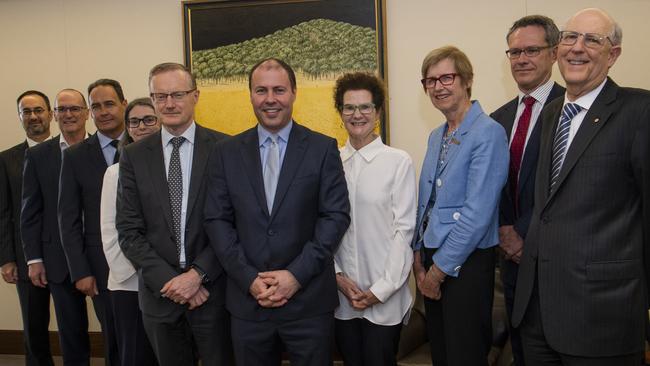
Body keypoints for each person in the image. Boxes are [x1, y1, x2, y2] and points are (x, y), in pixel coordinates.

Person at [511, 8, 650, 365]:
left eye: (592, 40)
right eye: (570, 37)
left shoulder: (640, 111)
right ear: (557, 49)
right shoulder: (553, 113)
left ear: (613, 54)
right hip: (537, 315)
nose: (577, 48)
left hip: (603, 317)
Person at [204, 58, 350, 366]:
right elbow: (217, 220)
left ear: (294, 93)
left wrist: (295, 275)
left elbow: (335, 217)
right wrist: (249, 279)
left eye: (279, 90)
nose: (270, 99)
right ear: (251, 95)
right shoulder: (226, 152)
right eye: (261, 90)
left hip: (308, 302)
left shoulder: (323, 148)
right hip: (248, 304)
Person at [116, 63, 230, 366]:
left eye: (177, 94)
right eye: (160, 96)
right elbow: (128, 230)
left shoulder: (225, 148)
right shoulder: (133, 156)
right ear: (152, 100)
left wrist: (197, 276)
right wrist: (173, 282)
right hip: (160, 294)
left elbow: (233, 225)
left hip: (213, 293)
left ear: (195, 96)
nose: (169, 103)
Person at [412, 46, 509, 366]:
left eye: (446, 77)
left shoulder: (488, 133)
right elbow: (427, 203)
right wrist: (417, 258)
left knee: (464, 355)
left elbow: (477, 214)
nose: (438, 86)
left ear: (467, 80)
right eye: (430, 80)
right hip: (431, 259)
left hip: (465, 264)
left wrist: (437, 273)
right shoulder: (435, 135)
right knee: (441, 354)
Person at [489, 15, 565, 366]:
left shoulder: (573, 109)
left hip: (555, 264)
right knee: (523, 354)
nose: (522, 59)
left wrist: (523, 232)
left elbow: (563, 188)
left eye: (532, 50)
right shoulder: (497, 120)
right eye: (515, 51)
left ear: (554, 53)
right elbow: (492, 186)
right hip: (512, 264)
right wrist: (505, 230)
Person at [332, 72, 416, 366]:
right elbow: (320, 227)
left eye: (366, 107)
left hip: (385, 298)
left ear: (378, 111)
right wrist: (338, 276)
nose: (357, 115)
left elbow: (404, 232)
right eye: (349, 107)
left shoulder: (397, 161)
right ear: (340, 113)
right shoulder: (330, 162)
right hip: (342, 296)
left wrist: (380, 291)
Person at [58, 79, 127, 366]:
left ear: (123, 104)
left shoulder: (148, 145)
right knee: (114, 336)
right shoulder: (74, 156)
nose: (103, 111)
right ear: (89, 111)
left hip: (151, 263)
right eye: (96, 106)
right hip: (100, 266)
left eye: (109, 103)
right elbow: (68, 218)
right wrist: (80, 271)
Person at [21, 88, 91, 365]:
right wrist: (34, 258)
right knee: (71, 333)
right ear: (54, 115)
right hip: (57, 259)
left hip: (100, 255)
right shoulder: (39, 156)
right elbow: (30, 212)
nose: (69, 115)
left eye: (75, 109)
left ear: (87, 113)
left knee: (115, 328)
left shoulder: (105, 148)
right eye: (62, 110)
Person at [100, 98, 159, 366]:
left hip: (167, 280)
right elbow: (111, 230)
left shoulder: (172, 168)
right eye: (134, 121)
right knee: (135, 354)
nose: (142, 127)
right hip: (129, 281)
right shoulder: (115, 172)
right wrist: (141, 271)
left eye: (149, 119)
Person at [0, 90, 53, 365]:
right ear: (20, 117)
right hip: (25, 257)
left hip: (67, 254)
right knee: (34, 325)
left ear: (50, 114)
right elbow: (3, 213)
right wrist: (7, 258)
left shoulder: (69, 152)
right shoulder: (6, 160)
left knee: (74, 320)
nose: (33, 116)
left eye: (39, 110)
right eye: (26, 111)